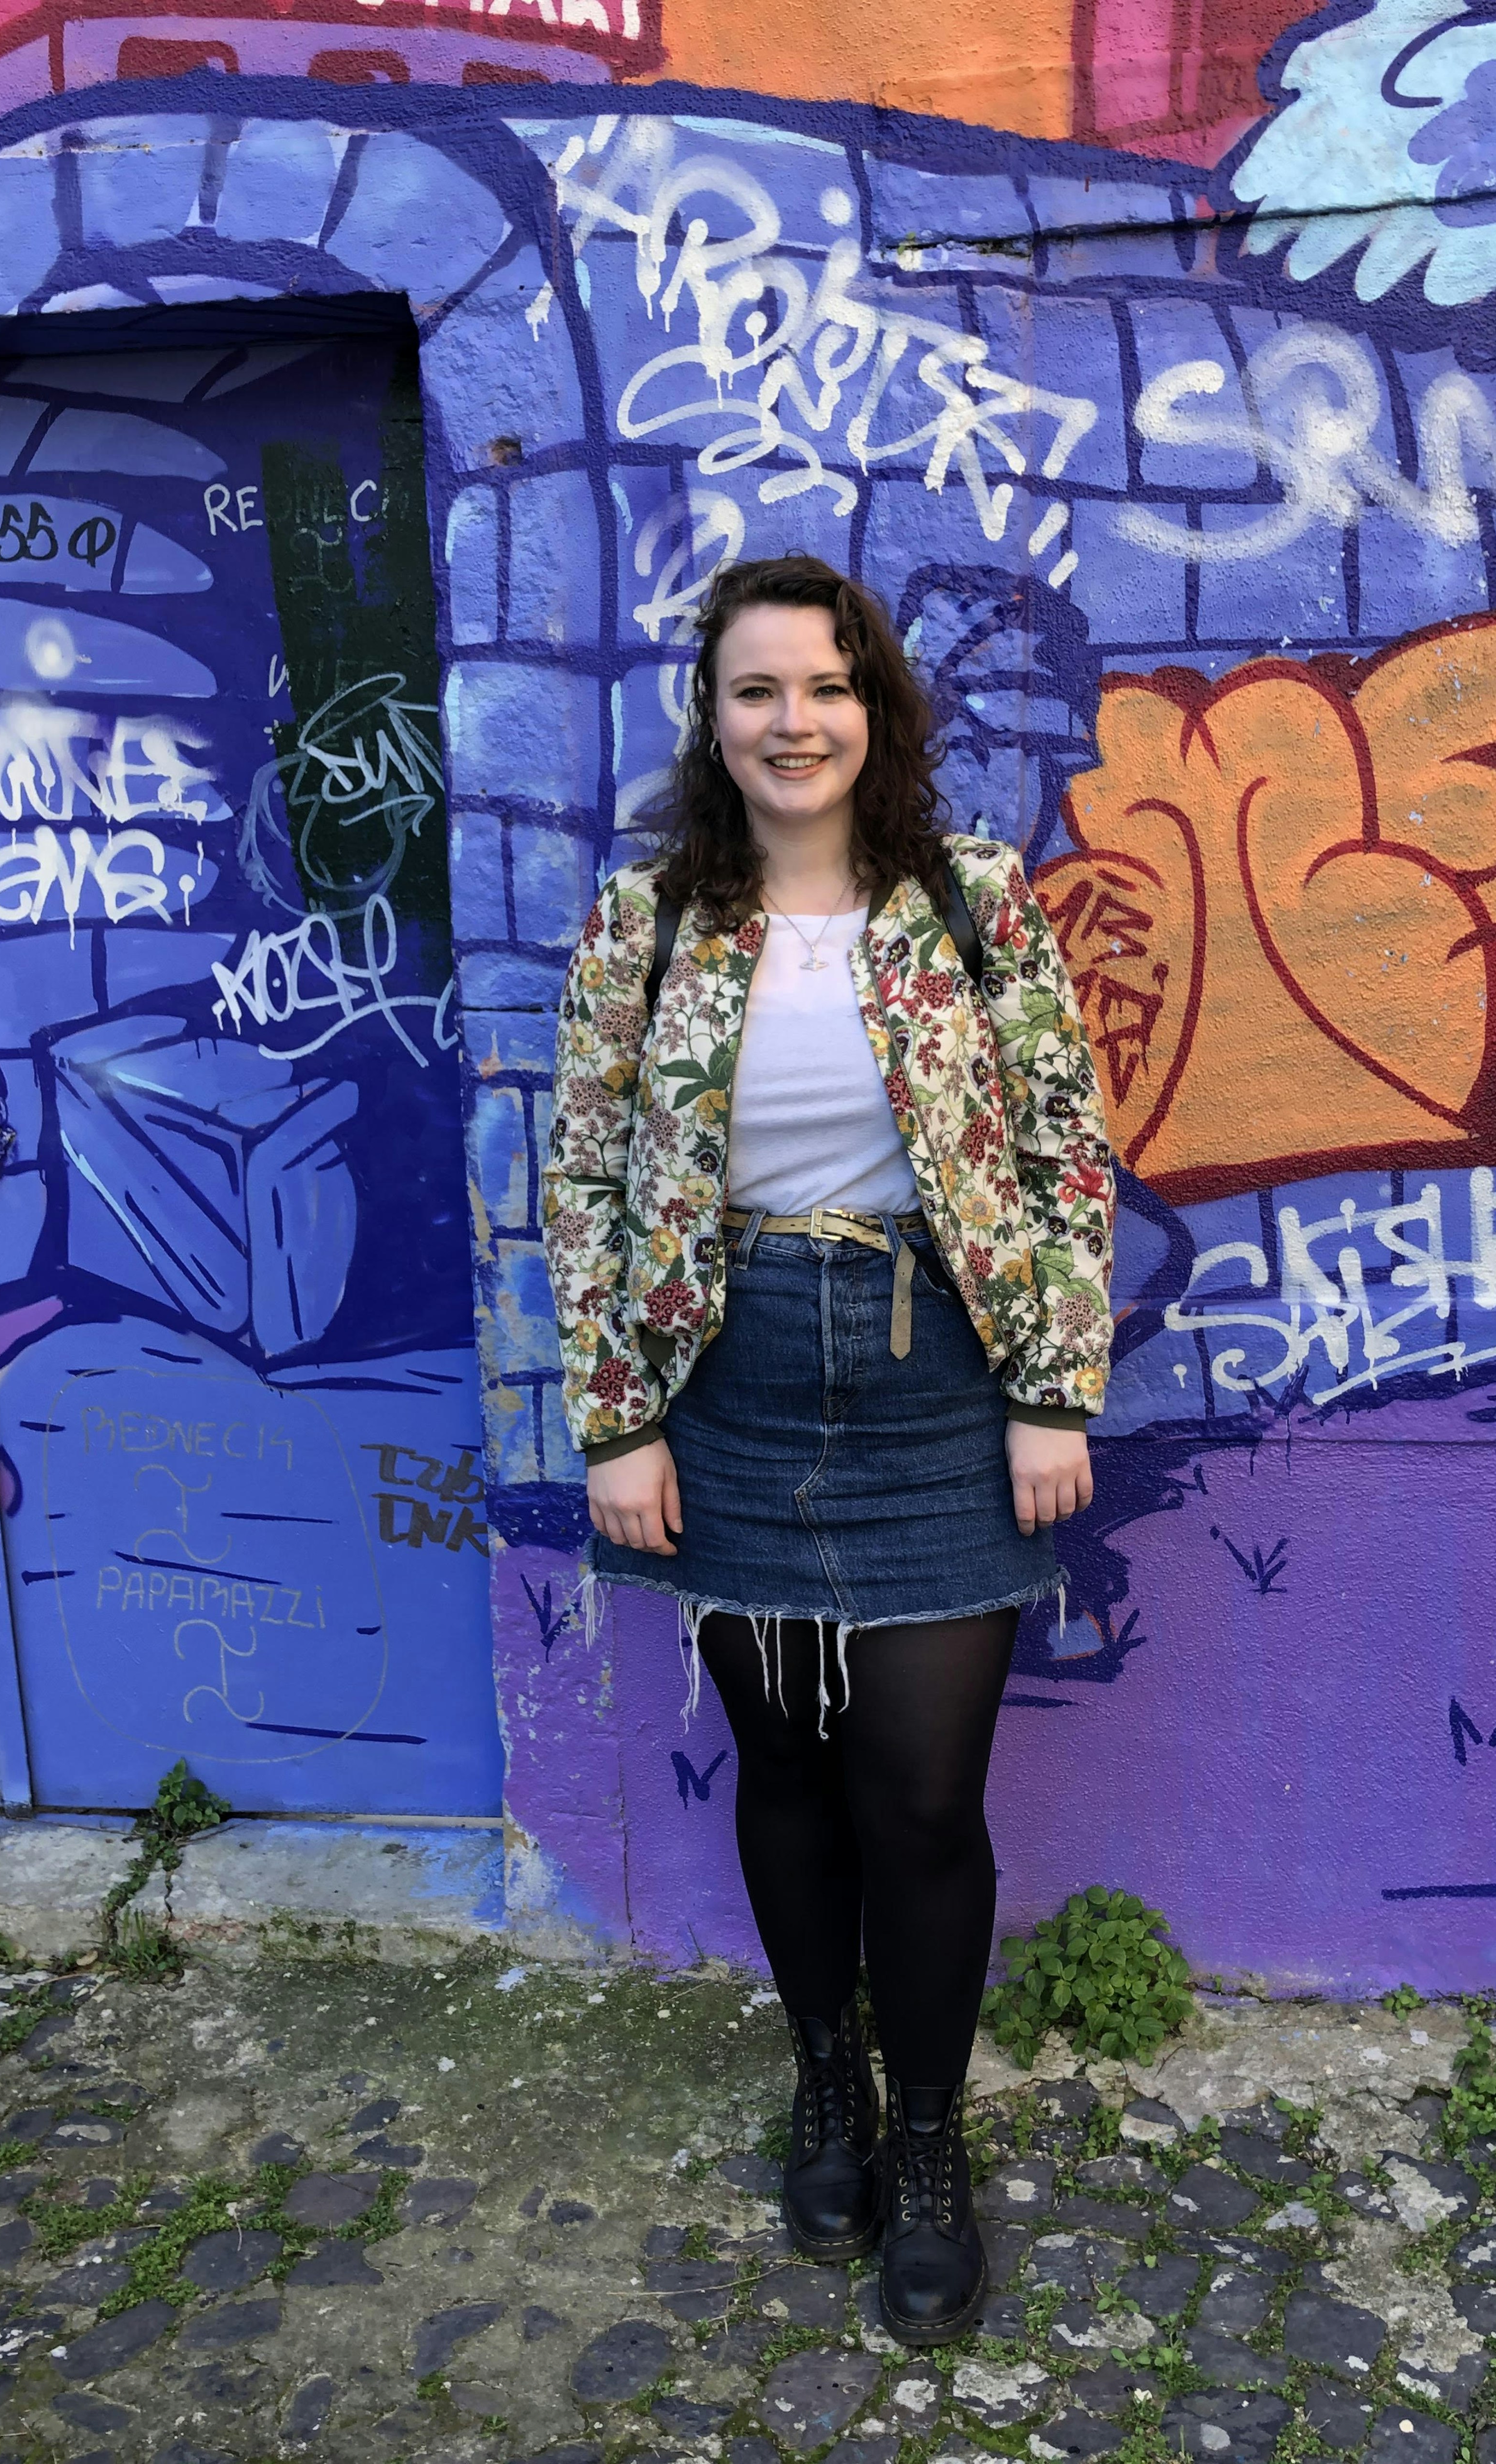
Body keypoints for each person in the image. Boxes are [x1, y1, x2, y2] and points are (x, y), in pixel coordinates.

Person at [543, 555, 1114, 2346]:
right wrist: (621, 1418)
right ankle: (828, 2084)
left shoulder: (974, 908)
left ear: (877, 711)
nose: (795, 724)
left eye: (826, 688)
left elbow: (1065, 1155)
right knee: (787, 1773)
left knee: (924, 1795)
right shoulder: (649, 928)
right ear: (713, 724)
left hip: (939, 1375)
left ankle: (931, 2143)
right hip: (729, 1380)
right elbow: (577, 1179)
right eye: (757, 693)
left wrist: (1051, 1387)